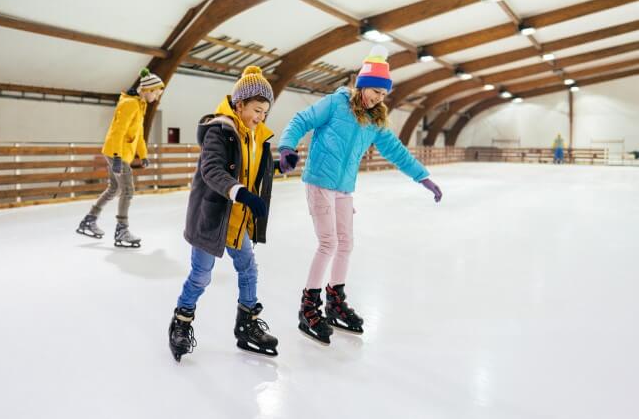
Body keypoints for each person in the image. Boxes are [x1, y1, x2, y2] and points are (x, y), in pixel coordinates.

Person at [277, 45, 443, 345]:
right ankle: (308, 307)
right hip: (319, 182)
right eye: (375, 91)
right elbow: (301, 120)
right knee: (328, 243)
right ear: (362, 85)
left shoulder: (375, 120)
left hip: (343, 188)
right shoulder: (335, 104)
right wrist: (287, 147)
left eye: (383, 94)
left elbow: (397, 151)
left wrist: (423, 177)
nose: (379, 98)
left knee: (346, 244)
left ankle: (335, 300)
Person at [168, 66, 283, 362]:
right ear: (240, 103)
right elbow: (212, 170)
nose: (260, 117)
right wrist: (241, 193)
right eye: (257, 110)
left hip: (238, 222)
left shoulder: (255, 136)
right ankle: (181, 322)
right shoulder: (219, 131)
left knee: (248, 269)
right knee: (201, 276)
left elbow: (256, 167)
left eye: (265, 113)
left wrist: (280, 164)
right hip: (213, 219)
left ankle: (246, 324)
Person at [76, 68, 165, 247]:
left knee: (115, 188)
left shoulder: (141, 105)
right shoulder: (130, 104)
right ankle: (122, 230)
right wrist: (117, 157)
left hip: (122, 152)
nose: (157, 97)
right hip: (118, 152)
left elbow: (138, 134)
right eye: (156, 93)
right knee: (128, 190)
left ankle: (89, 219)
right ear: (148, 90)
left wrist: (143, 154)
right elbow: (118, 131)